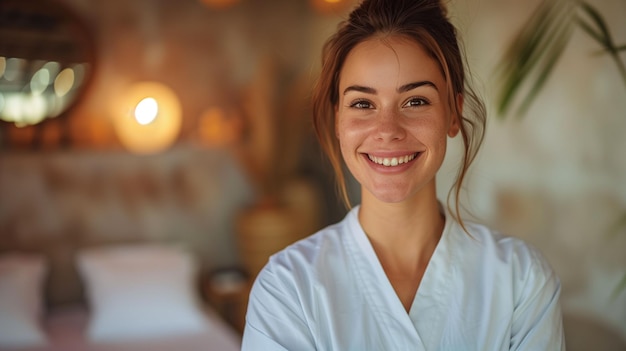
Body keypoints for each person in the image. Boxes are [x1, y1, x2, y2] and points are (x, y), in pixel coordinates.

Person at [241, 0, 565, 349]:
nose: (387, 130)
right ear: (338, 120)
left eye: (416, 101)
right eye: (362, 104)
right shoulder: (288, 288)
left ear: (453, 115)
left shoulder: (521, 280)